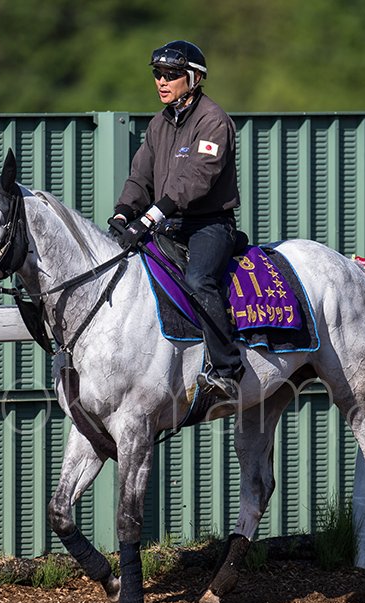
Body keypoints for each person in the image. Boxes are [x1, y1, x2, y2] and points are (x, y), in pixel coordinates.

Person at [109, 39, 243, 400]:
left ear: (194, 79)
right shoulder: (158, 124)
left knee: (199, 280)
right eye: (158, 75)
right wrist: (123, 212)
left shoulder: (214, 120)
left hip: (210, 225)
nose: (162, 82)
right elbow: (141, 177)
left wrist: (150, 215)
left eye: (171, 75)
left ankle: (228, 370)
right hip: (167, 224)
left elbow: (198, 179)